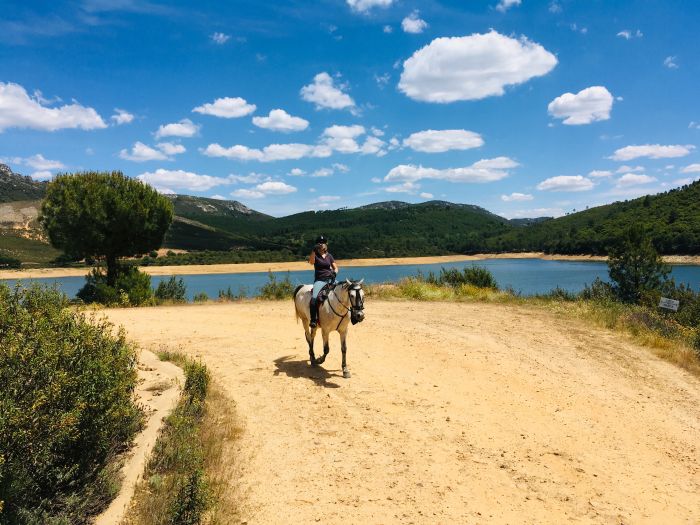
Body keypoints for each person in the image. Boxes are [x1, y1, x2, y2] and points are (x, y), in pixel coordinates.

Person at [308, 235, 339, 328]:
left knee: (344, 291)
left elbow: (336, 268)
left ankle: (350, 315)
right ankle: (313, 320)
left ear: (326, 245)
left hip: (331, 279)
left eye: (323, 242)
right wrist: (313, 250)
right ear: (317, 245)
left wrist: (335, 273)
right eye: (320, 243)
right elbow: (311, 262)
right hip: (320, 280)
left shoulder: (329, 256)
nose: (322, 244)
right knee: (314, 299)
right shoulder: (315, 255)